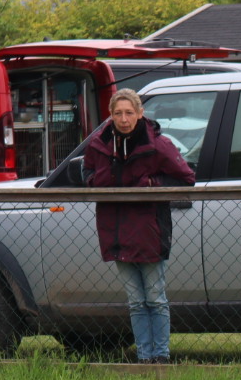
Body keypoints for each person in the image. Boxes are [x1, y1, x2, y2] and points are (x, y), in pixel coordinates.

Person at [81, 88, 195, 365]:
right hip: (115, 230)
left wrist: (154, 185)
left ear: (140, 113)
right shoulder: (98, 144)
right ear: (111, 115)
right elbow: (86, 172)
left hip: (149, 230)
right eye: (118, 113)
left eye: (129, 112)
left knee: (155, 297)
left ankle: (161, 355)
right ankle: (144, 357)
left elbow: (186, 178)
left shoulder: (158, 144)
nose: (123, 119)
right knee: (135, 301)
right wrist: (96, 182)